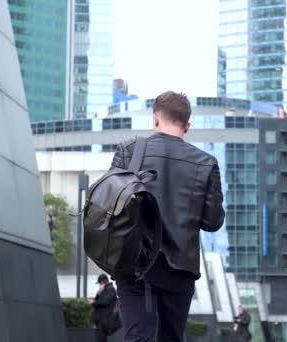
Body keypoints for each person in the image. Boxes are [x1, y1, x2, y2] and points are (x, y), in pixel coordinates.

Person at [111, 91, 225, 342]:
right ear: (187, 125)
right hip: (179, 269)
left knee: (138, 336)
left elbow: (111, 204)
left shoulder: (129, 151)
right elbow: (212, 222)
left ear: (155, 119)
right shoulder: (206, 163)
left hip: (134, 262)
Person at [91, 274, 118, 342]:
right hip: (101, 319)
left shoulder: (110, 289)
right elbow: (97, 301)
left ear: (103, 282)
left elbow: (104, 302)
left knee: (101, 339)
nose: (100, 285)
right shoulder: (104, 290)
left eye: (100, 283)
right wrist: (98, 293)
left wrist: (93, 303)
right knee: (100, 338)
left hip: (105, 319)